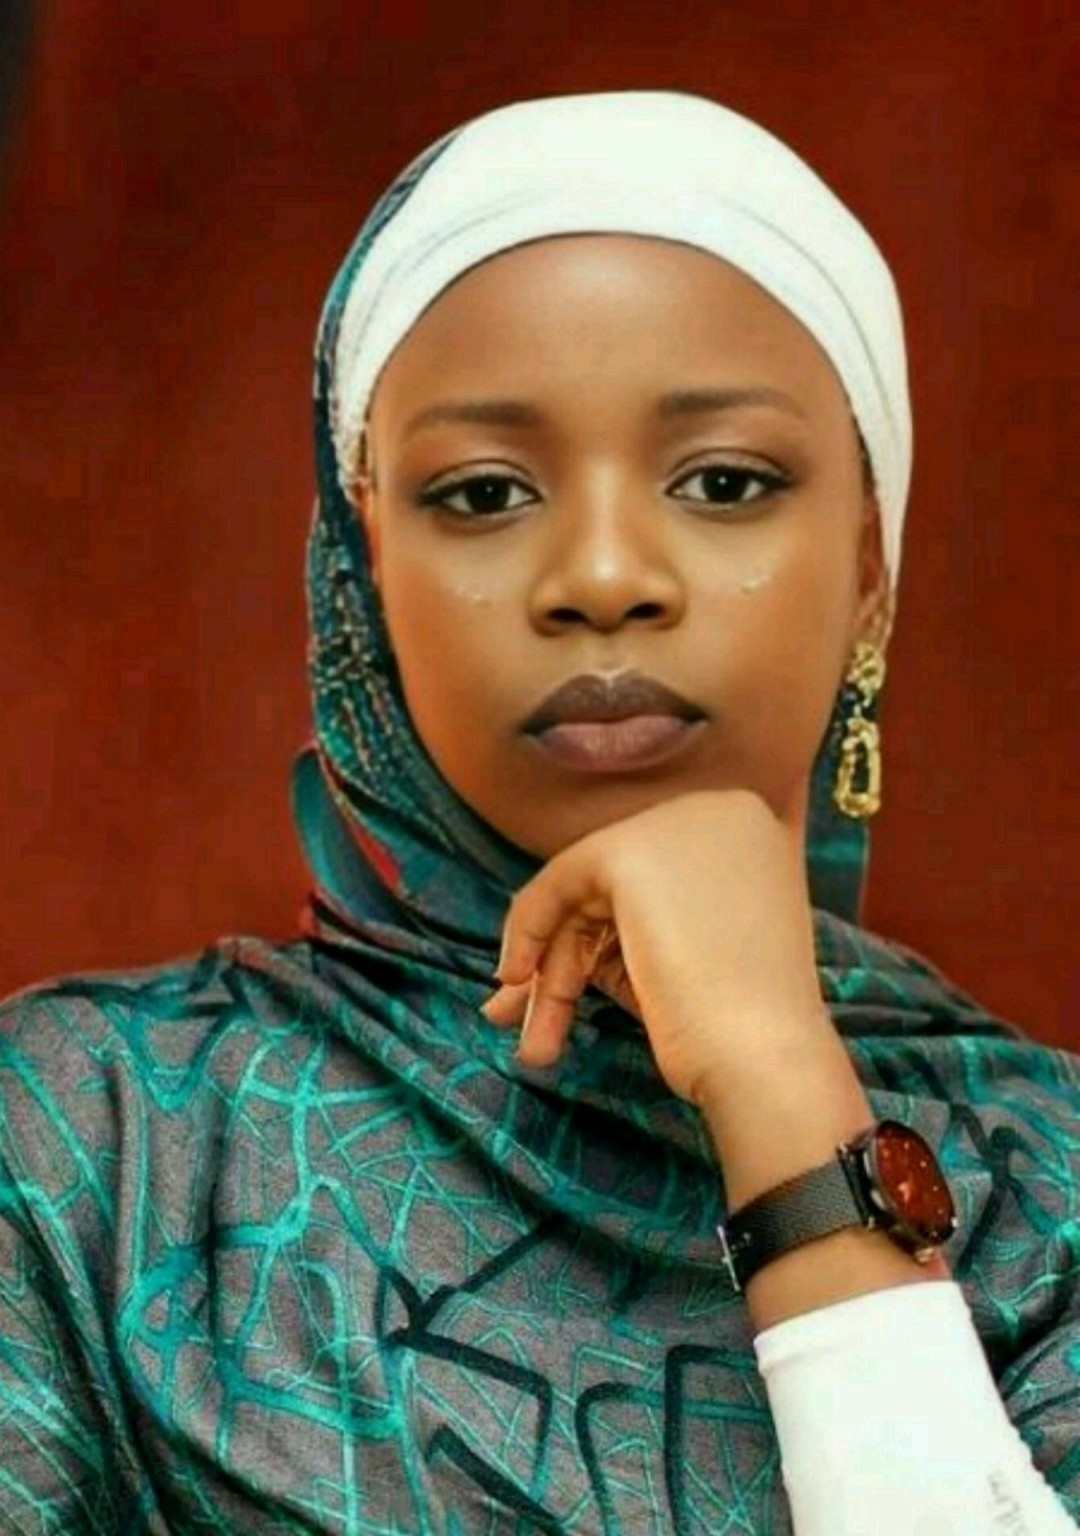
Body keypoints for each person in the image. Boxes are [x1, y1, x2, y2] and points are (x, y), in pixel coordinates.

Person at [0, 89, 1076, 1536]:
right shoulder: (93, 1144)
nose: (604, 576)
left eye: (724, 481)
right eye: (484, 492)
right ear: (365, 559)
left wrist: (778, 1088)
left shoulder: (1055, 1186)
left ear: (870, 563)